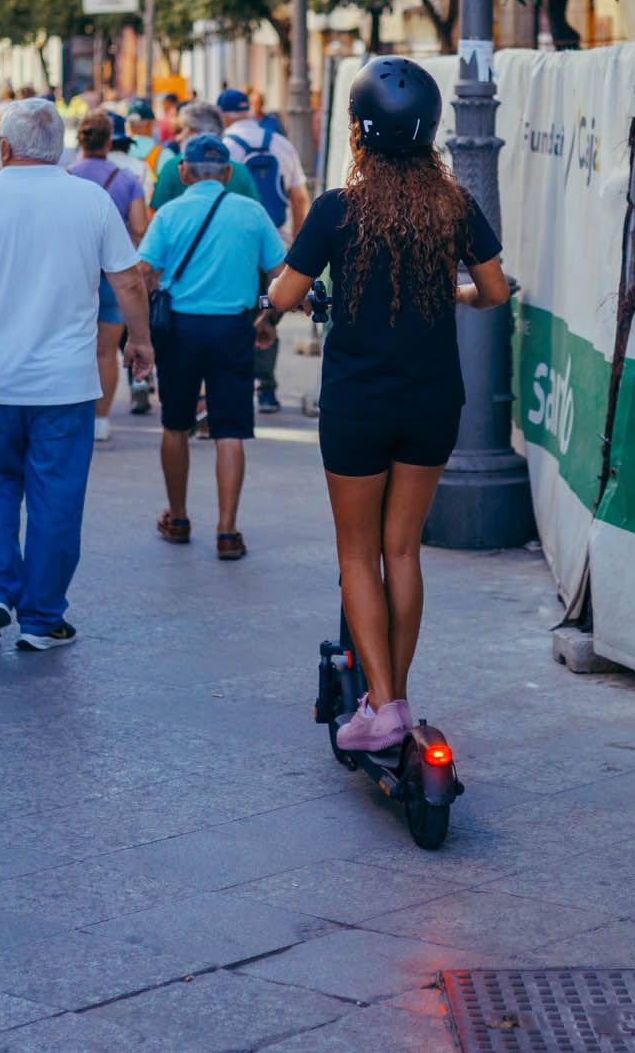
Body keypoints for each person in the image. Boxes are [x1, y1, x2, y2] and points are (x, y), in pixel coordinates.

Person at [264, 57, 508, 752]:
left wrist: (284, 297)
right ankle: (393, 695)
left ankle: (383, 707)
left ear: (358, 131)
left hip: (358, 404)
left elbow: (284, 296)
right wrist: (458, 293)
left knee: (357, 553)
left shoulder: (340, 209)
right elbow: (494, 291)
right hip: (433, 401)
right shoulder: (454, 205)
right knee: (403, 550)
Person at [0, 99, 151, 650]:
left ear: (4, 147)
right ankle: (40, 618)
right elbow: (127, 281)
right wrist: (141, 342)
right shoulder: (90, 199)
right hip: (66, 382)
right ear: (61, 149)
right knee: (57, 497)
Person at [141, 136, 287, 559]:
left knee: (175, 424)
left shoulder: (168, 214)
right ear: (227, 173)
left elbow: (143, 269)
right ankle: (227, 530)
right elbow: (282, 273)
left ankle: (179, 516)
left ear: (183, 172)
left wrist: (152, 304)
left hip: (180, 329)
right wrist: (267, 320)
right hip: (233, 330)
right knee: (230, 430)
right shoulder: (251, 213)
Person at [217, 89, 309, 414]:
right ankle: (267, 390)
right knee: (268, 315)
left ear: (224, 115)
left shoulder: (224, 148)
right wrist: (297, 245)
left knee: (240, 317)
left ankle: (240, 385)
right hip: (280, 247)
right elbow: (299, 198)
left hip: (239, 251)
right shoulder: (281, 144)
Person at [68, 112, 148, 443]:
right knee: (105, 351)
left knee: (75, 347)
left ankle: (76, 413)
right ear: (110, 140)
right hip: (113, 275)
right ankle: (101, 420)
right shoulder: (127, 178)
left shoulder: (67, 175)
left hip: (75, 274)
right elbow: (141, 227)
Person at [148, 101, 258, 213]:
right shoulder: (239, 171)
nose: (179, 137)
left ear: (197, 133)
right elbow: (255, 212)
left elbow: (157, 213)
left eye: (186, 129)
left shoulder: (172, 167)